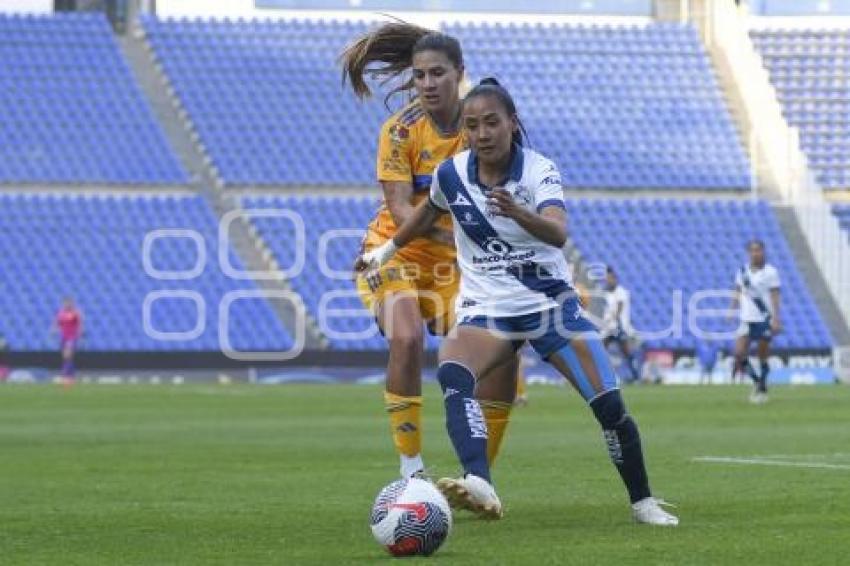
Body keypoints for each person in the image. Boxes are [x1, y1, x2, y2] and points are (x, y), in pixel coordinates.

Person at [357, 79, 678, 526]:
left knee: (608, 406)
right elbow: (425, 214)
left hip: (550, 308)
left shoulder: (538, 170)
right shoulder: (452, 173)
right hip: (489, 311)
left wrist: (516, 212)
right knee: (453, 371)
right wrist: (385, 252)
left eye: (492, 122)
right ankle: (480, 483)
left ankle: (643, 502)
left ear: (512, 123)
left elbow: (558, 232)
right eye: (472, 125)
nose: (483, 133)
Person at [340, 23, 521, 479]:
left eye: (437, 74)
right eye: (419, 76)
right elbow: (401, 213)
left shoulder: (481, 128)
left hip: (456, 269)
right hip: (393, 252)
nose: (426, 84)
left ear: (459, 74)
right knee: (406, 337)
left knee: (502, 355)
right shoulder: (400, 132)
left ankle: (478, 479)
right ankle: (411, 471)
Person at [730, 240, 781, 404]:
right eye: (752, 250)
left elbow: (775, 296)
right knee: (739, 353)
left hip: (764, 318)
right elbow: (738, 290)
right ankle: (758, 382)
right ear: (748, 253)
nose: (756, 253)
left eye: (758, 250)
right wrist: (732, 308)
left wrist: (776, 318)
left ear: (763, 251)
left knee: (762, 355)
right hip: (746, 318)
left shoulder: (771, 272)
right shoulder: (742, 271)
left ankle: (762, 385)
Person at [601, 267, 640, 383]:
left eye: (609, 279)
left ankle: (636, 376)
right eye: (606, 279)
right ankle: (603, 375)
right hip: (609, 328)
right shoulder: (607, 293)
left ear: (615, 279)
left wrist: (613, 318)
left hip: (619, 327)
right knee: (601, 349)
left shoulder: (621, 292)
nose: (607, 281)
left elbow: (620, 306)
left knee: (626, 352)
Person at [51, 297, 83, 385]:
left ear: (72, 303)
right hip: (63, 337)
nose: (67, 304)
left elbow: (80, 324)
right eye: (65, 303)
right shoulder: (61, 313)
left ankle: (65, 375)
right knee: (66, 357)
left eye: (69, 303)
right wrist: (53, 330)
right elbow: (56, 322)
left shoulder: (76, 312)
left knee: (67, 355)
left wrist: (80, 335)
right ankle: (71, 376)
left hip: (72, 337)